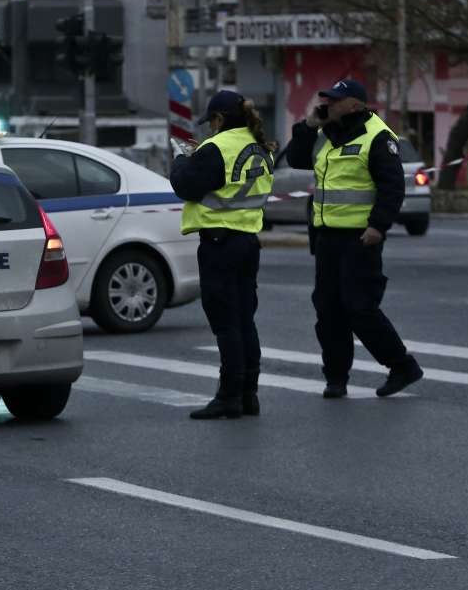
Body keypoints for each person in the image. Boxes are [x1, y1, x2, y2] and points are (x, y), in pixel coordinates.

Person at [285, 78, 424, 399]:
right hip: (326, 237)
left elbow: (392, 187)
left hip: (360, 239)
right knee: (328, 309)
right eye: (328, 99)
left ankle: (402, 365)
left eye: (336, 100)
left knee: (360, 308)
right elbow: (296, 159)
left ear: (355, 105)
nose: (329, 104)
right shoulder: (326, 134)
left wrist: (378, 226)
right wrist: (308, 124)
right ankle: (336, 377)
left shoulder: (377, 136)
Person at [171, 90, 276, 420]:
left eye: (211, 122)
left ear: (218, 119)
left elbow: (186, 186)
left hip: (219, 244)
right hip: (247, 242)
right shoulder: (259, 145)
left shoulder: (216, 148)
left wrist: (180, 160)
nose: (209, 129)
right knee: (245, 319)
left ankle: (229, 395)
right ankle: (249, 394)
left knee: (226, 324)